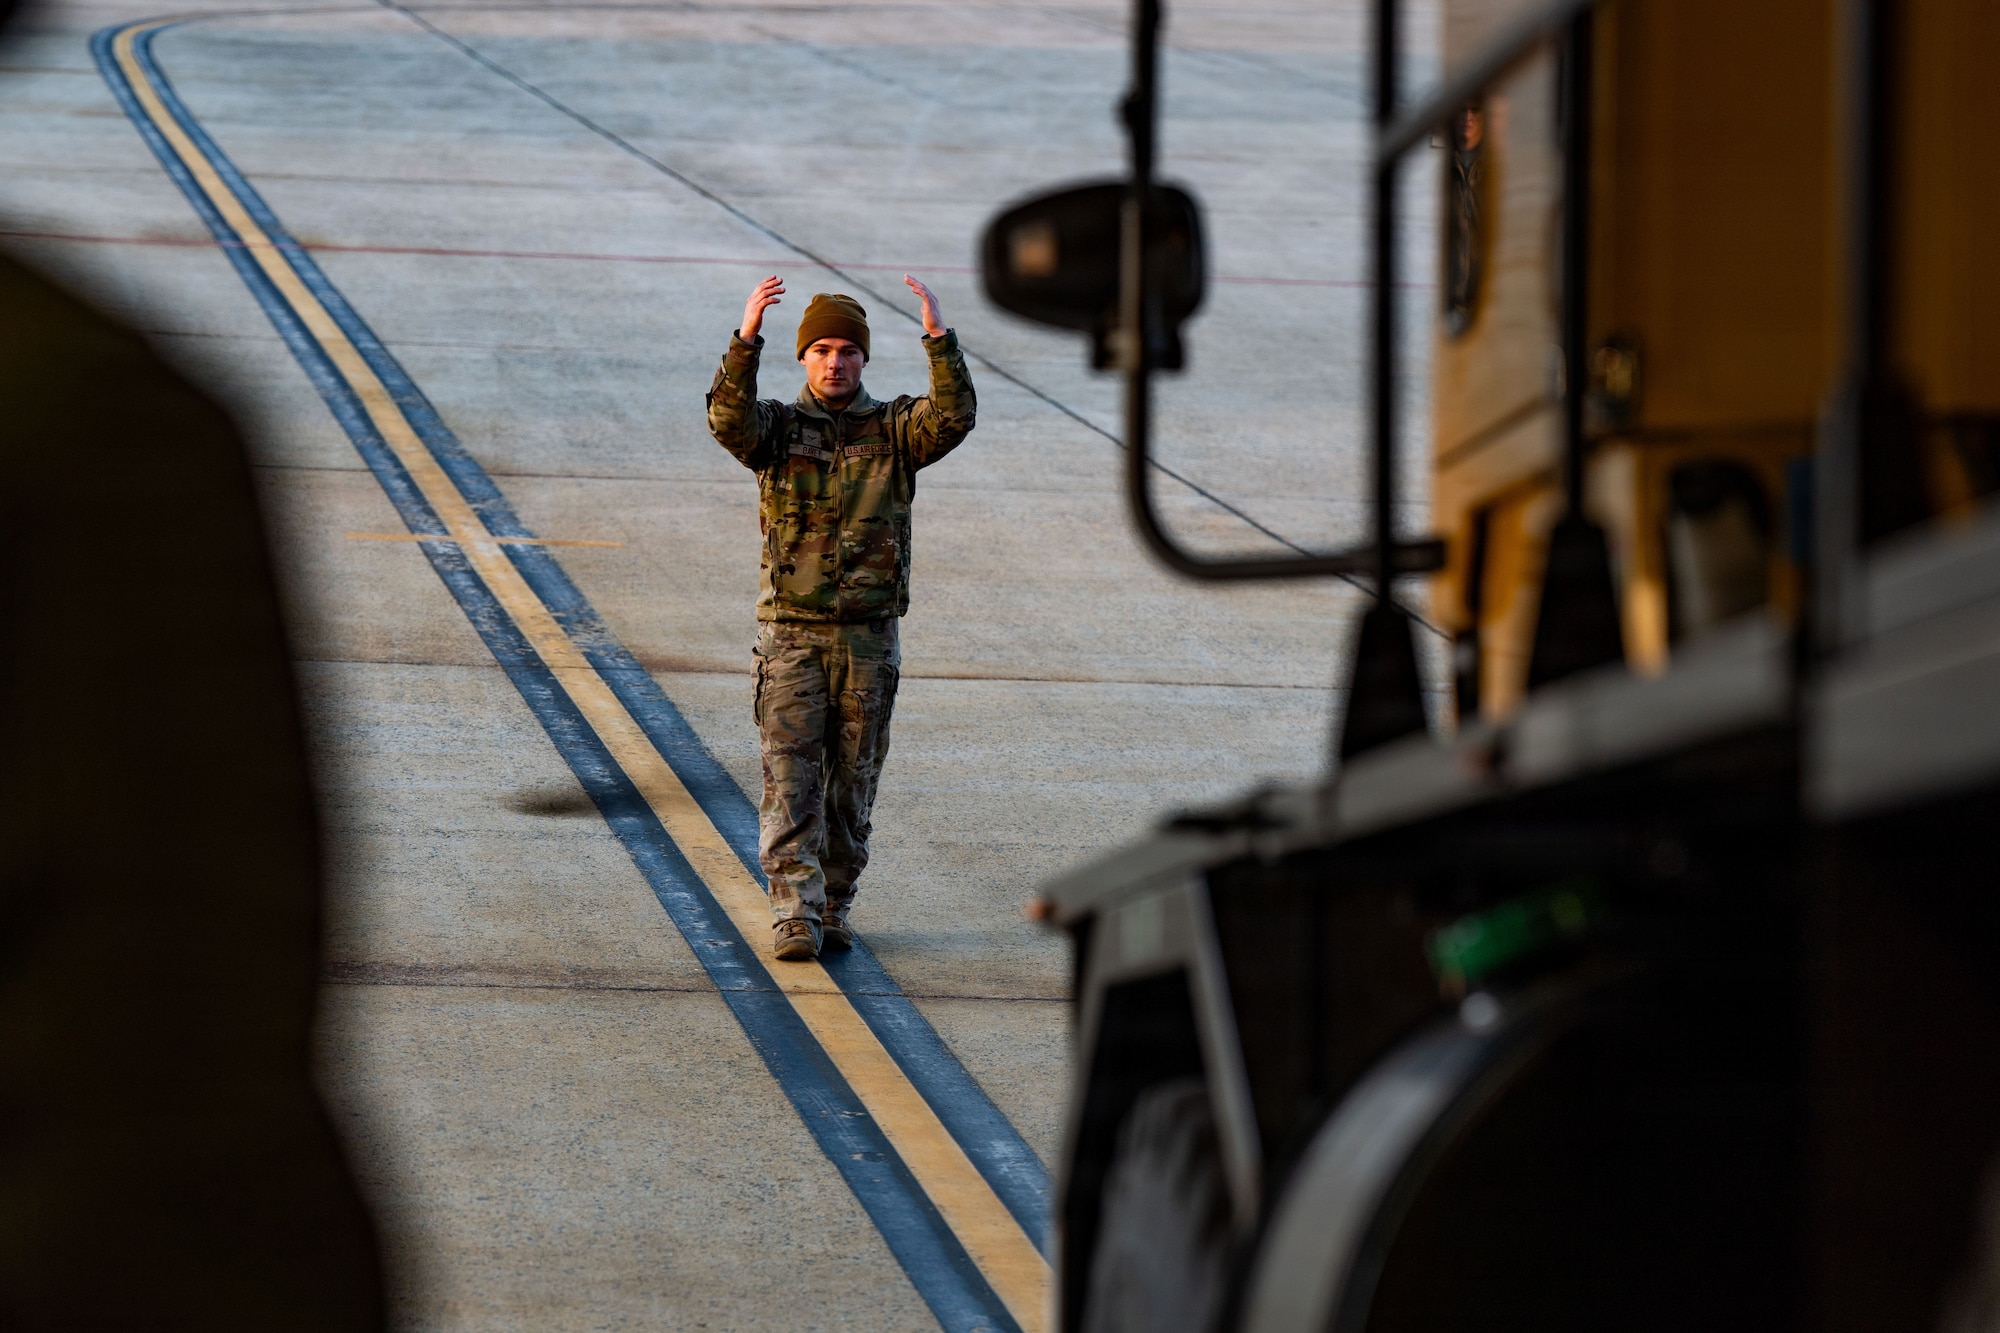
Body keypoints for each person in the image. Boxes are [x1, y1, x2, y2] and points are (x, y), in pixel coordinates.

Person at [706, 275, 976, 961]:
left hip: (866, 639)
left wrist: (938, 339)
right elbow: (726, 422)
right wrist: (745, 339)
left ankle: (834, 902)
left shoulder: (894, 430)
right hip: (792, 637)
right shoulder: (777, 429)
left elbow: (954, 417)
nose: (834, 362)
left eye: (847, 350)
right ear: (802, 358)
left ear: (864, 359)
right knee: (790, 780)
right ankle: (795, 911)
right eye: (821, 349)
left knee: (851, 786)